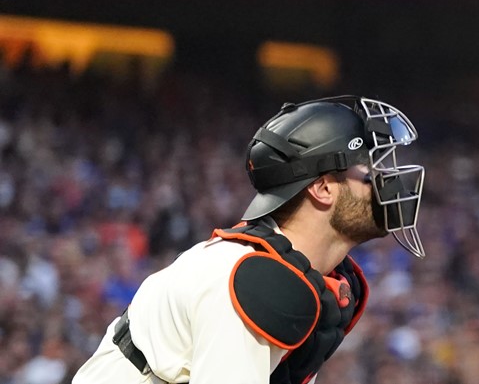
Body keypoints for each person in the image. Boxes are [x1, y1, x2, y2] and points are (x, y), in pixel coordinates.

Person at [73, 95, 426, 384]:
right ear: (323, 188)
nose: (387, 180)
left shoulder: (303, 278)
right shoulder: (247, 278)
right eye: (371, 169)